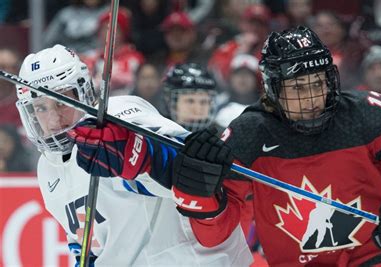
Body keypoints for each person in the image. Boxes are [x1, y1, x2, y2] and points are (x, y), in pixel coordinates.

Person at [169, 26, 381, 266]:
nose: (312, 98)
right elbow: (217, 236)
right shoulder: (249, 135)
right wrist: (197, 193)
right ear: (273, 90)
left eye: (317, 83)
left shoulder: (371, 114)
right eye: (298, 88)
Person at [15, 44, 252, 266]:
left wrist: (138, 154)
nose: (53, 119)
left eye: (61, 102)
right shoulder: (46, 169)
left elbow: (193, 166)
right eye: (40, 108)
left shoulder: (120, 114)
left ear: (83, 93)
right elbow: (84, 242)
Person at [161, 63, 219, 132]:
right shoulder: (156, 134)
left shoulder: (221, 137)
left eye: (204, 102)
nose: (197, 110)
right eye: (190, 101)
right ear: (171, 102)